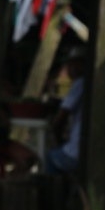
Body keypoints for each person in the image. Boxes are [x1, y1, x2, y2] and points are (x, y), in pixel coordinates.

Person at [46, 46, 86, 176]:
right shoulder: (88, 83)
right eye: (69, 64)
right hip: (84, 151)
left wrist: (57, 137)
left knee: (48, 158)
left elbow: (60, 118)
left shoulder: (81, 83)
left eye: (74, 63)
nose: (70, 67)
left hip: (77, 154)